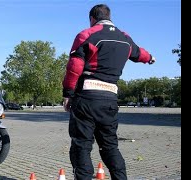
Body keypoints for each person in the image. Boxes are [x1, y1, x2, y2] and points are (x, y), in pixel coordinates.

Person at [62, 4, 156, 180]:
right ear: (109, 16)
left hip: (86, 98)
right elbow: (139, 53)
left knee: (81, 146)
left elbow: (74, 67)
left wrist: (68, 94)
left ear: (92, 19)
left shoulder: (87, 34)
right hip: (110, 99)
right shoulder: (125, 38)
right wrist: (150, 58)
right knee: (110, 146)